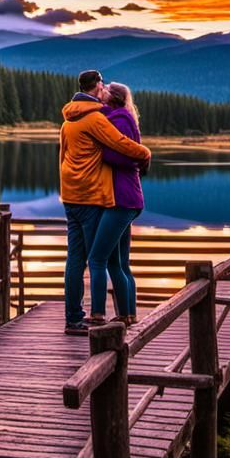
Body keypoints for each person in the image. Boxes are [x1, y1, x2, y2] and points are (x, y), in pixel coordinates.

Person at [59, 69, 151, 336]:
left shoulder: (67, 120)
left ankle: (74, 319)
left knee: (75, 259)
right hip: (91, 197)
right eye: (102, 84)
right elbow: (122, 144)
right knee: (98, 259)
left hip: (70, 196)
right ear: (97, 86)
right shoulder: (95, 120)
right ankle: (99, 315)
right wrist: (145, 153)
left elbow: (62, 157)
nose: (105, 88)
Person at [91, 82, 144, 326]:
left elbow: (121, 155)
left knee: (97, 258)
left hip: (121, 200)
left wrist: (99, 148)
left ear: (114, 97)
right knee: (119, 262)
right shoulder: (118, 117)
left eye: (106, 89)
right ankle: (129, 314)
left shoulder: (121, 119)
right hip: (124, 198)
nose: (101, 92)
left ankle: (103, 314)